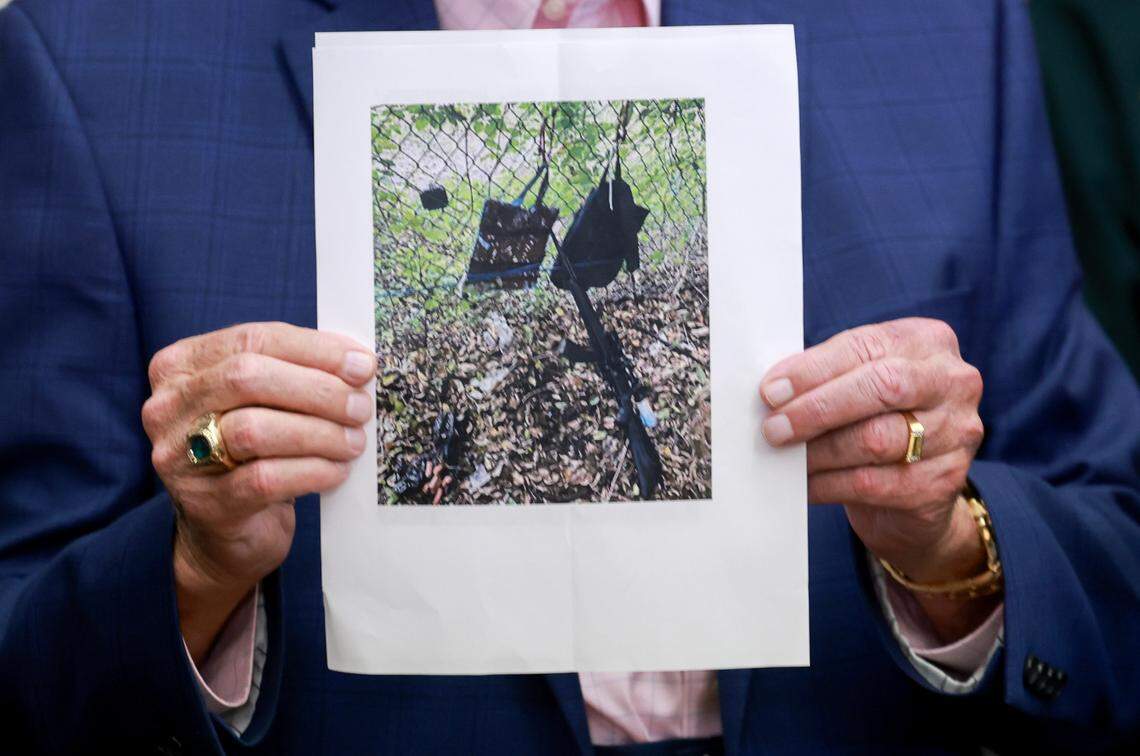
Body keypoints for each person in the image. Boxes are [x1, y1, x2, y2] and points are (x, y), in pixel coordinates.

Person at [1, 0, 1137, 754]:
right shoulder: (97, 53)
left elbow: (1115, 543)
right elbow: (27, 652)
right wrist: (199, 569)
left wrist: (953, 552)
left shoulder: (937, 27)